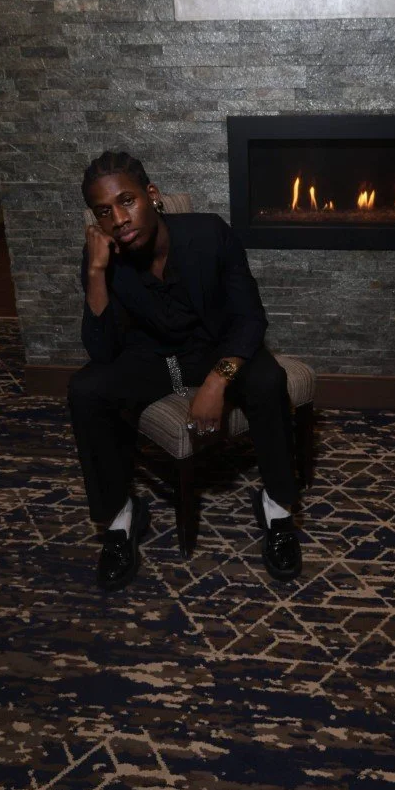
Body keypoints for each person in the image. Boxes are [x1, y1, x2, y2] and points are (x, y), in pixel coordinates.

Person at [68, 151, 302, 591]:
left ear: (151, 196)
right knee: (86, 389)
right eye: (104, 212)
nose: (118, 218)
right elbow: (101, 352)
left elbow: (250, 317)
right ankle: (120, 521)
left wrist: (217, 381)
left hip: (214, 349)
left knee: (269, 380)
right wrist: (97, 271)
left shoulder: (210, 234)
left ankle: (277, 510)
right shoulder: (103, 258)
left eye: (127, 201)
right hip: (150, 360)